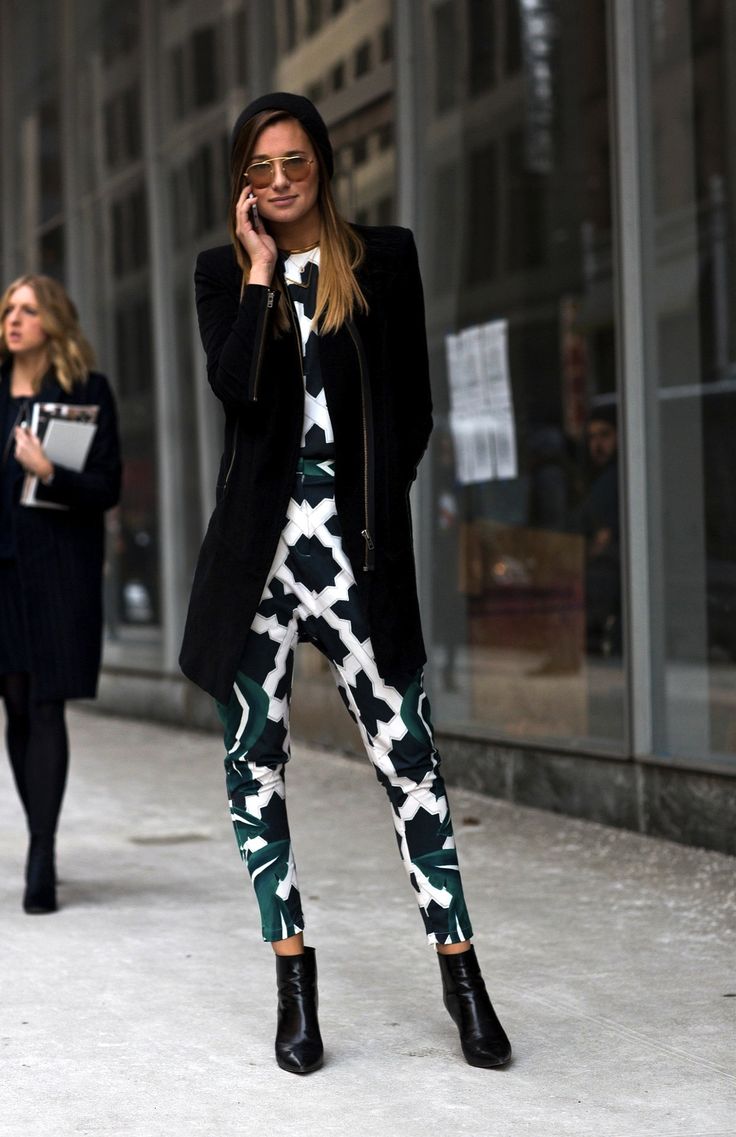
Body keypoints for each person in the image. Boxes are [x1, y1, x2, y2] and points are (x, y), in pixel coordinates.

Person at [179, 92, 511, 1075]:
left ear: (322, 162)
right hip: (257, 563)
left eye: (295, 161)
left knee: (410, 758)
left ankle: (462, 977)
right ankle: (294, 984)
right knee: (254, 764)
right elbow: (237, 388)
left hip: (354, 551)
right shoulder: (221, 275)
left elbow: (412, 412)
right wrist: (257, 273)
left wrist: (370, 512)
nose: (280, 180)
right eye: (261, 168)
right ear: (242, 183)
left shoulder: (383, 260)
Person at [0, 274, 122, 914]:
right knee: (17, 709)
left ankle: (41, 853)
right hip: (1, 576)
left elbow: (107, 487)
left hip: (56, 572)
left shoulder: (85, 392)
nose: (14, 320)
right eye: (8, 310)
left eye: (27, 309)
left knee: (47, 707)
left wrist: (50, 472)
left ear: (53, 321)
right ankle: (37, 833)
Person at [580, 406, 621, 656]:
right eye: (592, 437)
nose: (597, 444)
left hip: (610, 575)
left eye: (604, 435)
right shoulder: (597, 479)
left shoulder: (618, 479)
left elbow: (603, 538)